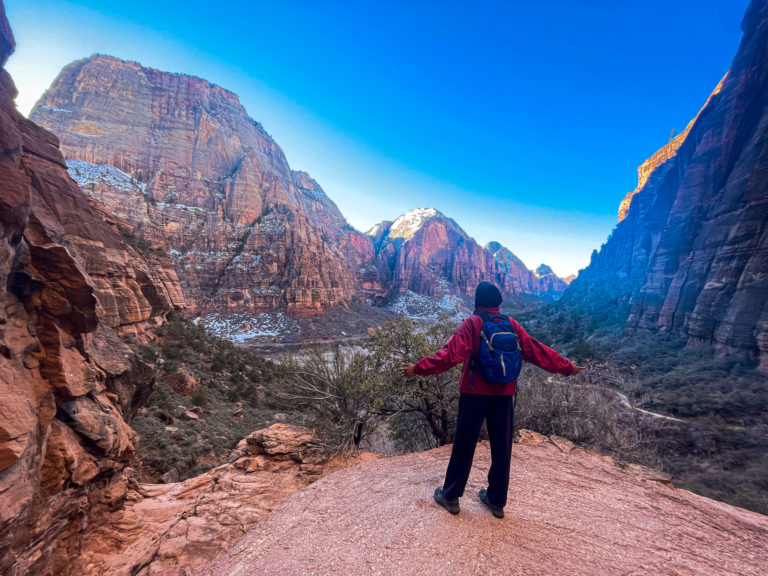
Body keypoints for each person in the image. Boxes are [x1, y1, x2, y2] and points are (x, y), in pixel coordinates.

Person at [399, 282, 585, 518]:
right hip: (504, 394)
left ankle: (451, 496)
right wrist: (566, 367)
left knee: (465, 444)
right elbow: (536, 350)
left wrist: (418, 368)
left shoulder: (473, 323)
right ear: (498, 303)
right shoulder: (511, 324)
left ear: (477, 302)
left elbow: (450, 355)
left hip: (474, 392)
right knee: (502, 447)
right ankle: (496, 501)